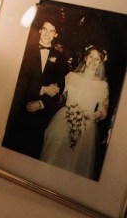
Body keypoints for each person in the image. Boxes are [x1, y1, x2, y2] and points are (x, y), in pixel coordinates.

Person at [2, 17, 69, 159]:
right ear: (39, 30)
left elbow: (59, 88)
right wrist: (42, 89)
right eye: (45, 30)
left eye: (52, 31)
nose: (47, 34)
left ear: (56, 34)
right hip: (17, 108)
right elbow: (16, 79)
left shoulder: (60, 58)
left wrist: (41, 103)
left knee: (29, 153)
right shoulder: (24, 49)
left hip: (40, 115)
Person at [40, 46, 110, 179]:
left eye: (97, 59)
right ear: (85, 57)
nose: (93, 61)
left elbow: (103, 112)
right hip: (63, 120)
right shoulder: (71, 76)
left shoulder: (102, 86)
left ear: (101, 62)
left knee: (73, 164)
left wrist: (90, 115)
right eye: (90, 56)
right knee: (53, 159)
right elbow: (58, 96)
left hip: (85, 127)